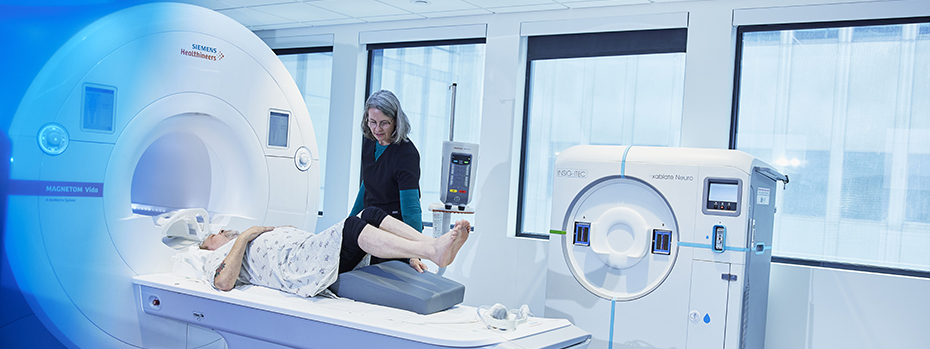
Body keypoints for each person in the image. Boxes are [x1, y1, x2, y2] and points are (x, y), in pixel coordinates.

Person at [199, 206, 469, 298]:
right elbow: (223, 283)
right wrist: (244, 236)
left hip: (308, 250)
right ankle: (433, 249)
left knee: (371, 213)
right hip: (299, 266)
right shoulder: (215, 258)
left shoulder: (247, 238)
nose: (222, 232)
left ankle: (429, 246)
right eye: (214, 235)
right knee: (352, 226)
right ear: (208, 247)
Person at [350, 91, 424, 264]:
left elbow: (411, 207)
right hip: (370, 224)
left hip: (394, 230)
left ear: (396, 121)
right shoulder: (369, 142)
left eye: (384, 123)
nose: (377, 129)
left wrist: (415, 252)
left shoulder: (406, 153)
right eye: (372, 122)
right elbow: (366, 186)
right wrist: (349, 222)